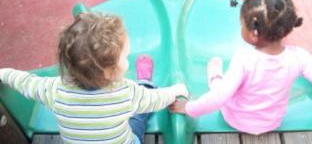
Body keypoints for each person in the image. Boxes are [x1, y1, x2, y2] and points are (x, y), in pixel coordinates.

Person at [169, 0, 312, 135]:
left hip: (235, 120)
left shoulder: (245, 60)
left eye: (242, 24)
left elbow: (219, 98)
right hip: (271, 123)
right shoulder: (300, 58)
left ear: (253, 34)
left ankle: (215, 77)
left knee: (219, 82)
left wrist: (189, 107)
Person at [0, 13, 188, 143]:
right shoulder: (125, 94)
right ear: (109, 71)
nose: (128, 60)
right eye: (125, 57)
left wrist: (3, 73)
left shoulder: (54, 90)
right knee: (138, 116)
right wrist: (176, 91)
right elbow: (156, 100)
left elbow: (25, 82)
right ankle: (146, 82)